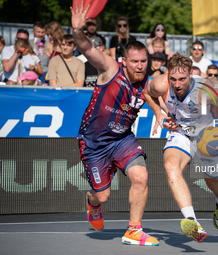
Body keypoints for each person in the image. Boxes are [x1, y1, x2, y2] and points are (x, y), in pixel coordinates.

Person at [71, 3, 159, 246]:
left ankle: (133, 230)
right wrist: (78, 31)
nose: (140, 65)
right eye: (135, 61)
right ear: (124, 60)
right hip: (94, 143)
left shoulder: (148, 83)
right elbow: (87, 48)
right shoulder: (111, 69)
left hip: (123, 140)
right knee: (103, 195)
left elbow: (160, 94)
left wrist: (161, 114)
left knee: (141, 176)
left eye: (143, 61)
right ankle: (92, 201)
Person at [144, 52, 218, 242]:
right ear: (168, 74)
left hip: (204, 135)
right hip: (180, 132)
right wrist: (158, 114)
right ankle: (192, 221)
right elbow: (147, 93)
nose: (177, 84)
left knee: (213, 181)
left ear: (191, 75)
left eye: (182, 79)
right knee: (170, 166)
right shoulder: (161, 84)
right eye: (173, 78)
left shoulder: (204, 89)